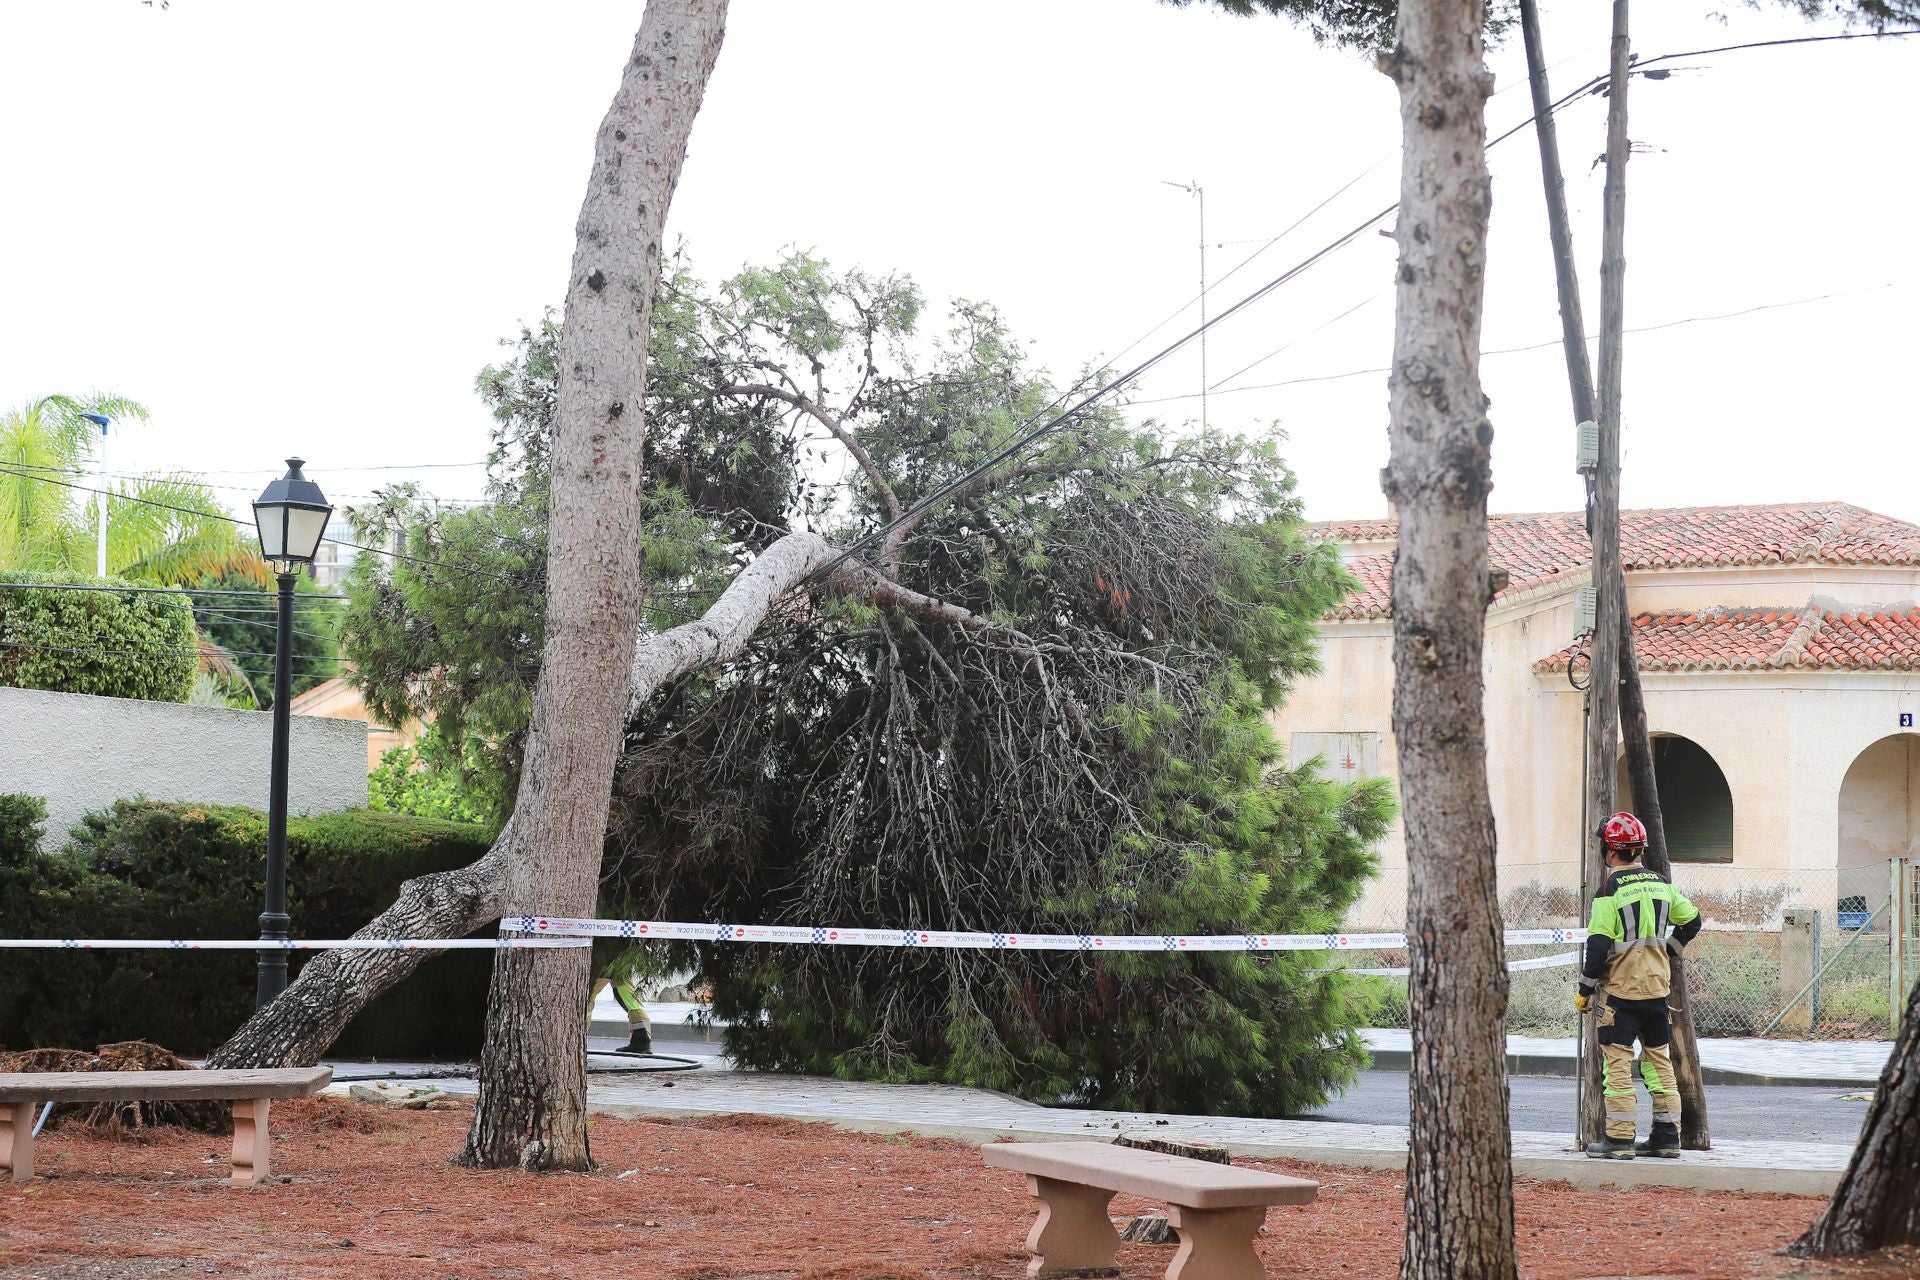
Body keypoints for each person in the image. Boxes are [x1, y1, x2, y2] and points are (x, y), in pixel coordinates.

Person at [1576, 811, 1702, 1160]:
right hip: (1656, 991)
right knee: (1658, 1060)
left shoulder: (1608, 890)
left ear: (1610, 850)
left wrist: (1585, 990)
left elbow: (1599, 945)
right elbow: (1692, 921)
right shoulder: (1661, 883)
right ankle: (1666, 1137)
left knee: (1617, 1063)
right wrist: (1669, 951)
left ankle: (1619, 1140)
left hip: (1621, 994)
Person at [589, 957, 655, 1056]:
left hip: (605, 959)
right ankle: (641, 1042)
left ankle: (575, 1040)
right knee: (630, 1000)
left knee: (586, 997)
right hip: (620, 959)